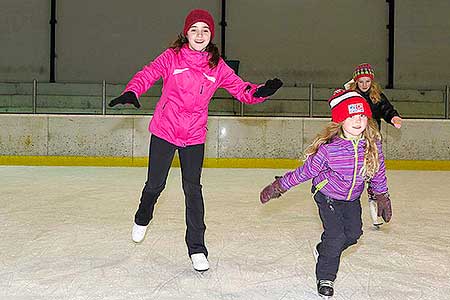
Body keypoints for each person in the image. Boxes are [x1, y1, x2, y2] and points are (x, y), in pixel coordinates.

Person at [108, 8, 283, 272]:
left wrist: (260, 92)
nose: (199, 35)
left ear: (211, 35)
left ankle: (197, 248)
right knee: (155, 185)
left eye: (205, 30)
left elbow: (241, 89)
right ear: (186, 33)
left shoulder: (217, 66)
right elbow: (148, 73)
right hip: (165, 130)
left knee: (193, 190)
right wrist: (132, 90)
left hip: (193, 135)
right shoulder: (172, 57)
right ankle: (143, 216)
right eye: (194, 29)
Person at [259, 89, 392, 299]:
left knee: (353, 235)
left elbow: (378, 170)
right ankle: (326, 277)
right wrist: (279, 186)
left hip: (351, 198)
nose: (357, 121)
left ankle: (324, 250)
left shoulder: (372, 144)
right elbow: (305, 172)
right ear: (340, 119)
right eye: (351, 116)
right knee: (336, 236)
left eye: (361, 116)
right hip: (327, 195)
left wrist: (382, 195)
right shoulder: (329, 149)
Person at [344, 63, 401, 227]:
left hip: (372, 139)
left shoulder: (377, 96)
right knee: (354, 172)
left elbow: (387, 109)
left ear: (372, 82)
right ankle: (346, 203)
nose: (364, 85)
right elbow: (338, 110)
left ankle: (374, 196)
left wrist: (393, 117)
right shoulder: (351, 97)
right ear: (356, 82)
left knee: (373, 169)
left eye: (367, 82)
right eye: (360, 82)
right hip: (353, 140)